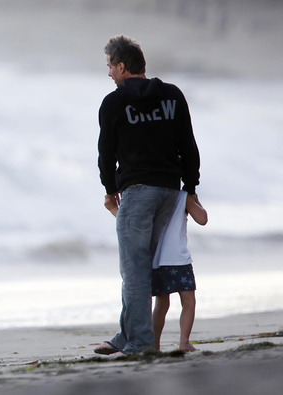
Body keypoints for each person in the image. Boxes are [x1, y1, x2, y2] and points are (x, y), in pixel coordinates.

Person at [95, 35, 200, 356]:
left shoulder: (114, 103)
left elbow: (106, 153)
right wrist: (190, 189)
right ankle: (127, 334)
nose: (109, 73)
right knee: (143, 266)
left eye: (110, 67)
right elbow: (188, 145)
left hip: (139, 191)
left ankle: (140, 342)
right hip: (170, 191)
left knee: (134, 268)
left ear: (122, 67)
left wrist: (109, 188)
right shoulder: (172, 95)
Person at [152, 192, 207, 352]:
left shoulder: (152, 195)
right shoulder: (183, 197)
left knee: (161, 305)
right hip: (178, 259)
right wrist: (196, 201)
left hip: (158, 259)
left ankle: (155, 345)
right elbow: (202, 219)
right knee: (189, 303)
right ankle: (184, 342)